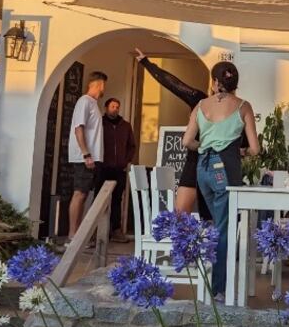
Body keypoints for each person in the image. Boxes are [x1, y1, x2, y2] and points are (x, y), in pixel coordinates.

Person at [183, 61, 259, 300]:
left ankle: (208, 274)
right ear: (235, 83)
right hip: (224, 170)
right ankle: (218, 288)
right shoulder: (243, 106)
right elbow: (255, 149)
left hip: (203, 170)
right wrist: (241, 152)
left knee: (214, 224)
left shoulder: (199, 105)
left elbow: (187, 142)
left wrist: (204, 145)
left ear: (215, 82)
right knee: (223, 229)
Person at [135, 48, 210, 219]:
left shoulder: (230, 107)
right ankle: (183, 244)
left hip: (210, 164)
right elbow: (173, 84)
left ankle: (204, 244)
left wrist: (146, 63)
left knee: (208, 219)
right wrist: (147, 63)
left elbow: (173, 84)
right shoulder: (201, 100)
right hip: (198, 163)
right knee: (181, 216)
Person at [67, 71, 107, 238]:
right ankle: (72, 236)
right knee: (79, 193)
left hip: (92, 157)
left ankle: (77, 236)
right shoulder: (85, 101)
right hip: (85, 157)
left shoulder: (93, 104)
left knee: (84, 194)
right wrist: (86, 154)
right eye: (104, 84)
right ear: (99, 84)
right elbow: (78, 128)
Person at [100, 97, 136, 243]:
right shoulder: (99, 123)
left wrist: (125, 161)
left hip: (119, 169)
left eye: (117, 106)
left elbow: (132, 145)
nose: (115, 109)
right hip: (102, 168)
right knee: (100, 199)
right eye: (113, 106)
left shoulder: (125, 126)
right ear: (106, 108)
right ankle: (98, 231)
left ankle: (115, 230)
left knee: (117, 200)